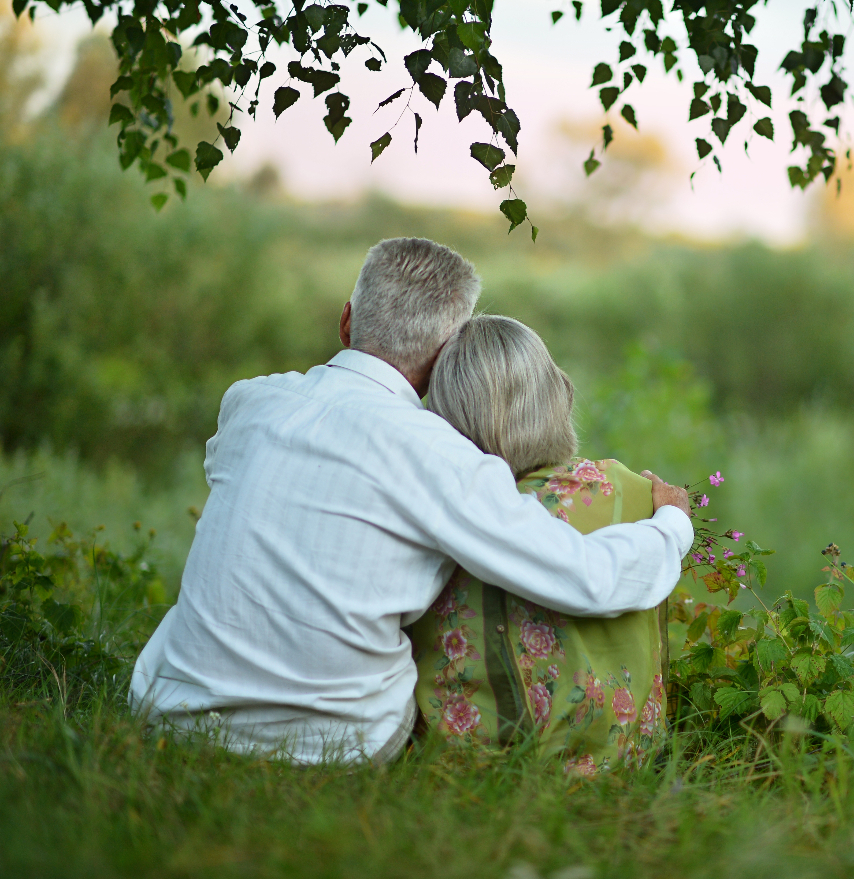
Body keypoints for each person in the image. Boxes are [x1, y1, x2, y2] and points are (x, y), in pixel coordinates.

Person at [128, 238, 693, 764]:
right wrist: (670, 520)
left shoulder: (249, 402)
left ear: (346, 320)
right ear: (448, 354)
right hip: (333, 744)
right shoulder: (441, 457)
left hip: (169, 715)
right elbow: (585, 578)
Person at [413, 316, 672, 773]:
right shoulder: (628, 492)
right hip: (626, 764)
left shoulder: (427, 507)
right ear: (557, 395)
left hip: (460, 769)